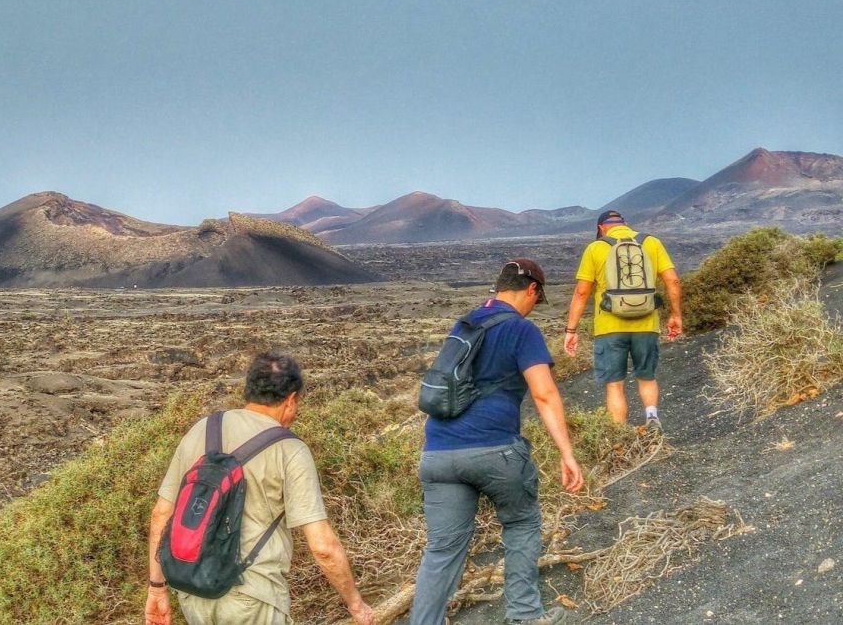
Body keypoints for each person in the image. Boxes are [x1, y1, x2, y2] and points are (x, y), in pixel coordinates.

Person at [411, 260, 585, 625]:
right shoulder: (522, 330)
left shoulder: (465, 324)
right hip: (496, 450)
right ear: (532, 290)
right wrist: (566, 453)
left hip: (438, 453)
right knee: (521, 523)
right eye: (536, 301)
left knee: (442, 549)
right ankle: (524, 615)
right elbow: (544, 394)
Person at [144, 352, 375, 625]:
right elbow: (323, 547)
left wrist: (156, 589)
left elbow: (161, 515)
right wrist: (356, 605)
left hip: (195, 594)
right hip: (253, 599)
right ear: (290, 399)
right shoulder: (290, 449)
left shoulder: (202, 429)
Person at [563, 210, 683, 430]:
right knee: (646, 377)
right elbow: (673, 281)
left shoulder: (596, 248)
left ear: (601, 228)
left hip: (609, 328)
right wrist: (675, 315)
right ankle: (652, 417)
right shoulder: (652, 243)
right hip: (646, 325)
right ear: (626, 224)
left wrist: (571, 330)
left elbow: (581, 293)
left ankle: (620, 434)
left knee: (614, 385)